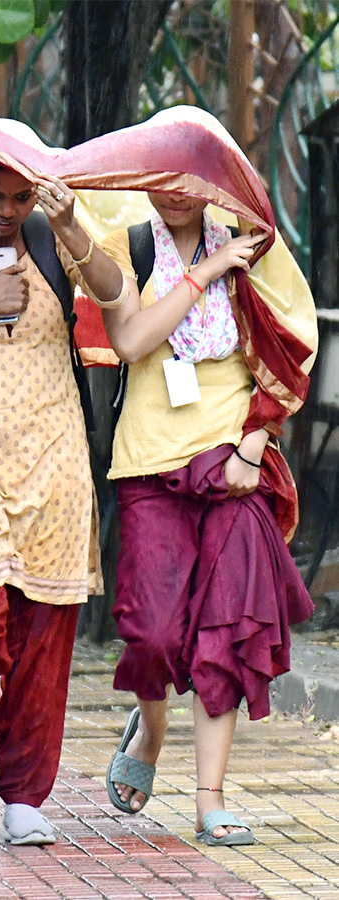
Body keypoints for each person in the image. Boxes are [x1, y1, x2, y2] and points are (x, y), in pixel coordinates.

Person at [0, 145, 131, 845]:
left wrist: (69, 225)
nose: (7, 213)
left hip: (54, 459)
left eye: (20, 198)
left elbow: (111, 291)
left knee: (44, 638)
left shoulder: (47, 234)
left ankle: (26, 797)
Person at [99, 181, 316, 845]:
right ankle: (153, 727)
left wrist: (254, 445)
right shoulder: (129, 243)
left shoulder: (254, 244)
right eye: (160, 184)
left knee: (226, 633)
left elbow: (291, 348)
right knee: (155, 636)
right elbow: (132, 341)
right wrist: (205, 272)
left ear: (210, 184)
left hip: (232, 458)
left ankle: (210, 797)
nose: (175, 196)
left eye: (188, 185)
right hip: (149, 460)